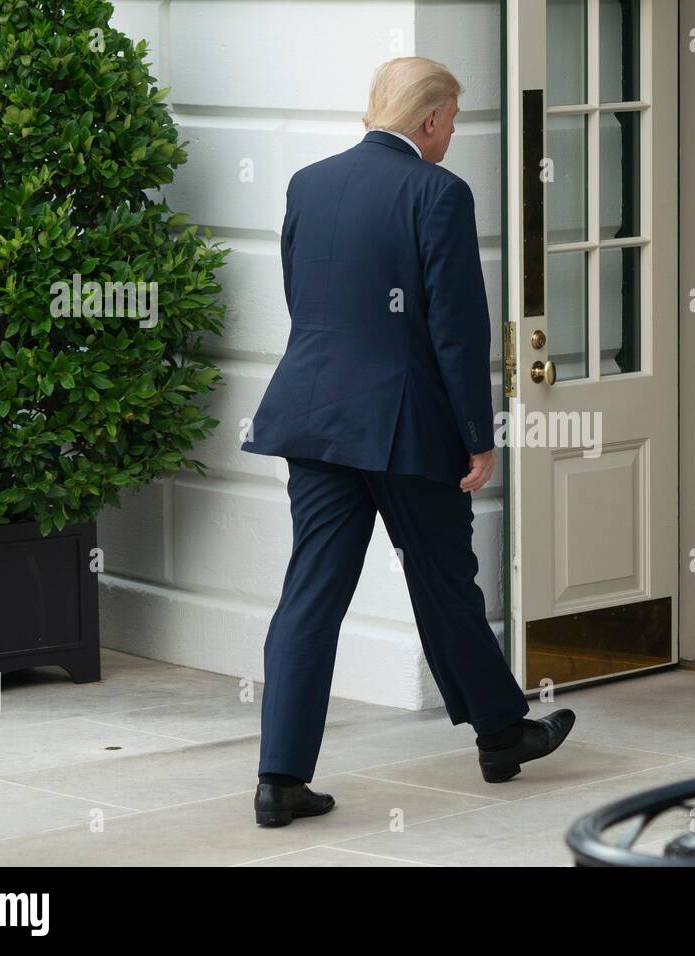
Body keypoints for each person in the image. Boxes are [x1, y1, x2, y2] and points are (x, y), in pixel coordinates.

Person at [242, 57, 574, 828]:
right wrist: (477, 437)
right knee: (444, 583)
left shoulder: (308, 183)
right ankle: (501, 735)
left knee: (310, 593)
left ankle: (279, 778)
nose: (454, 136)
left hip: (314, 417)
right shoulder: (437, 192)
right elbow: (457, 330)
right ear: (429, 119)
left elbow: (306, 301)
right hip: (404, 427)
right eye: (453, 121)